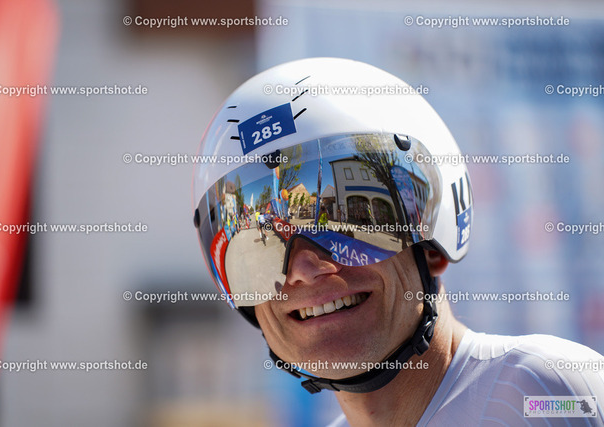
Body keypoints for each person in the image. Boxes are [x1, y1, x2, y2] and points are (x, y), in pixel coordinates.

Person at [192, 58, 604, 425]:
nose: (301, 270)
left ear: (432, 246)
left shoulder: (550, 392)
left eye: (341, 220)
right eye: (260, 237)